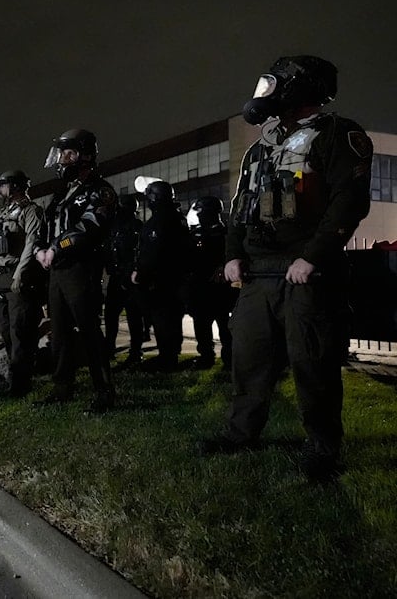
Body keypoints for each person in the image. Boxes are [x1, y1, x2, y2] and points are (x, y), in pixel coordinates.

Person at [199, 55, 373, 481]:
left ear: (302, 87)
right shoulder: (261, 145)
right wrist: (233, 255)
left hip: (306, 273)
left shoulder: (337, 134)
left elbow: (348, 203)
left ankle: (322, 448)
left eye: (276, 84)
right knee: (249, 359)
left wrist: (312, 256)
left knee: (312, 363)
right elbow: (241, 209)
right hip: (259, 274)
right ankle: (241, 434)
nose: (267, 92)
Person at [36, 128, 117, 412]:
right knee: (59, 332)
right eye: (61, 154)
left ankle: (104, 389)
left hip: (82, 269)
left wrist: (55, 248)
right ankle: (62, 387)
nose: (62, 160)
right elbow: (45, 228)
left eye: (67, 154)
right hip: (57, 272)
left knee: (90, 330)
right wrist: (39, 249)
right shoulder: (61, 195)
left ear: (85, 155)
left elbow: (89, 227)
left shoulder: (100, 190)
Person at [0, 170, 45, 395]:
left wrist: (20, 274)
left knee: (20, 331)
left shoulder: (31, 211)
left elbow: (32, 244)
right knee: (5, 331)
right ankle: (17, 375)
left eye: (2, 186)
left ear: (14, 186)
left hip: (16, 277)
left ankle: (20, 384)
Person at [131, 180, 191, 372]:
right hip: (176, 280)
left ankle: (167, 359)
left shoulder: (160, 221)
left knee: (163, 320)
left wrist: (140, 273)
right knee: (172, 320)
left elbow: (152, 253)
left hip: (161, 282)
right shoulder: (177, 217)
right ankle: (170, 356)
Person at [184, 196, 235, 369]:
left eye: (202, 212)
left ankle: (229, 358)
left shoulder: (226, 233)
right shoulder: (195, 233)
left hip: (219, 288)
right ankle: (206, 356)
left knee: (225, 326)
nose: (199, 216)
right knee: (201, 325)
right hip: (200, 286)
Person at [104, 194, 145, 366]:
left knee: (133, 317)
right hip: (117, 275)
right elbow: (108, 249)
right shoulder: (113, 226)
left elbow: (141, 252)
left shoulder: (137, 226)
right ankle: (110, 349)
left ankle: (135, 352)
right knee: (112, 315)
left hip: (130, 277)